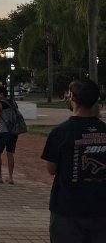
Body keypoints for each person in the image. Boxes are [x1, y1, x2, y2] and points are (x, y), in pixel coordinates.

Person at [41, 79, 106, 242]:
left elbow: (51, 169)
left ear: (72, 98)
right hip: (101, 208)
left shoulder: (60, 132)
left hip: (67, 209)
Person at [0, 85, 18, 184]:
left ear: (1, 94)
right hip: (14, 131)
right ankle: (11, 178)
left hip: (3, 131)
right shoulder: (14, 102)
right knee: (10, 154)